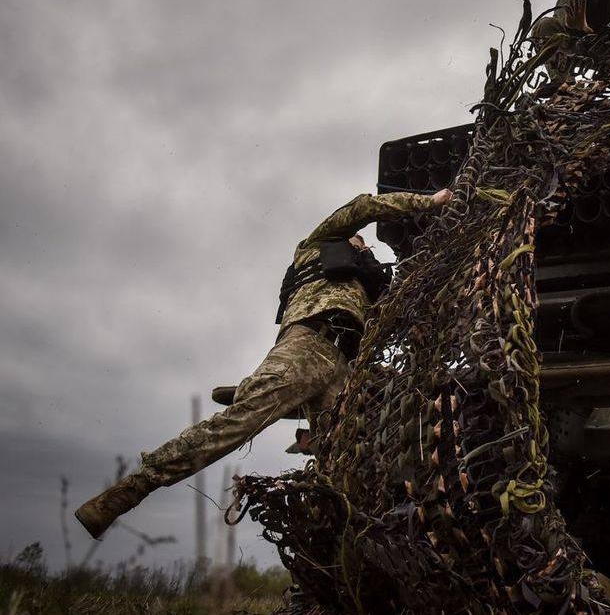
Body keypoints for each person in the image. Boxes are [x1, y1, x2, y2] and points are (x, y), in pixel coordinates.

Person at [75, 188, 452, 539]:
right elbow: (364, 207)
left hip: (344, 367)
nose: (364, 244)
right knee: (239, 422)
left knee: (342, 467)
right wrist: (430, 203)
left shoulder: (364, 283)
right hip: (310, 342)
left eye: (365, 245)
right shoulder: (317, 245)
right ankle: (130, 490)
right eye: (359, 241)